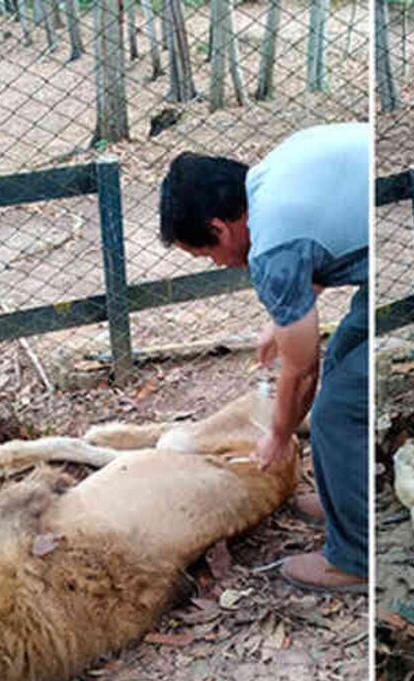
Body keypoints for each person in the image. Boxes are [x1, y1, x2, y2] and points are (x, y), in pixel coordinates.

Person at [158, 123, 368, 592]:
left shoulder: (271, 249)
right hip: (387, 228)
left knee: (337, 409)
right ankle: (344, 502)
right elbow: (321, 239)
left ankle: (355, 558)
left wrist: (279, 434)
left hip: (396, 258)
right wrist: (282, 318)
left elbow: (301, 367)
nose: (215, 263)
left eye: (205, 253)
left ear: (219, 227)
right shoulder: (272, 172)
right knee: (343, 370)